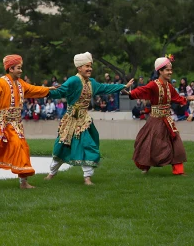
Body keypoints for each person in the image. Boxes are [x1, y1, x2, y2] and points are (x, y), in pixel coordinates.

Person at [44, 52, 134, 185]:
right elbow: (60, 91)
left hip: (84, 121)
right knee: (61, 147)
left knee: (88, 145)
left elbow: (105, 87)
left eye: (90, 66)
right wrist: (42, 91)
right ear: (79, 68)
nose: (90, 69)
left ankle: (87, 177)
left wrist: (122, 87)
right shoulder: (74, 80)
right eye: (87, 66)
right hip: (70, 120)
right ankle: (51, 173)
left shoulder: (91, 82)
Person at [0, 55, 56, 189]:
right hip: (3, 124)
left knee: (21, 148)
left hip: (16, 124)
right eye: (19, 68)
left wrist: (47, 90)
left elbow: (33, 89)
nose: (21, 71)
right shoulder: (2, 82)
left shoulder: (21, 83)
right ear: (11, 68)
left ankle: (23, 182)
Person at [126, 56, 194, 175]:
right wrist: (130, 93)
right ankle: (145, 165)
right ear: (160, 71)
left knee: (176, 142)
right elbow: (142, 90)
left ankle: (178, 170)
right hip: (155, 120)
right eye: (167, 70)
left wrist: (187, 98)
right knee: (148, 143)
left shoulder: (169, 86)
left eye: (171, 70)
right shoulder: (153, 85)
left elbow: (176, 98)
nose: (170, 72)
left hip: (167, 119)